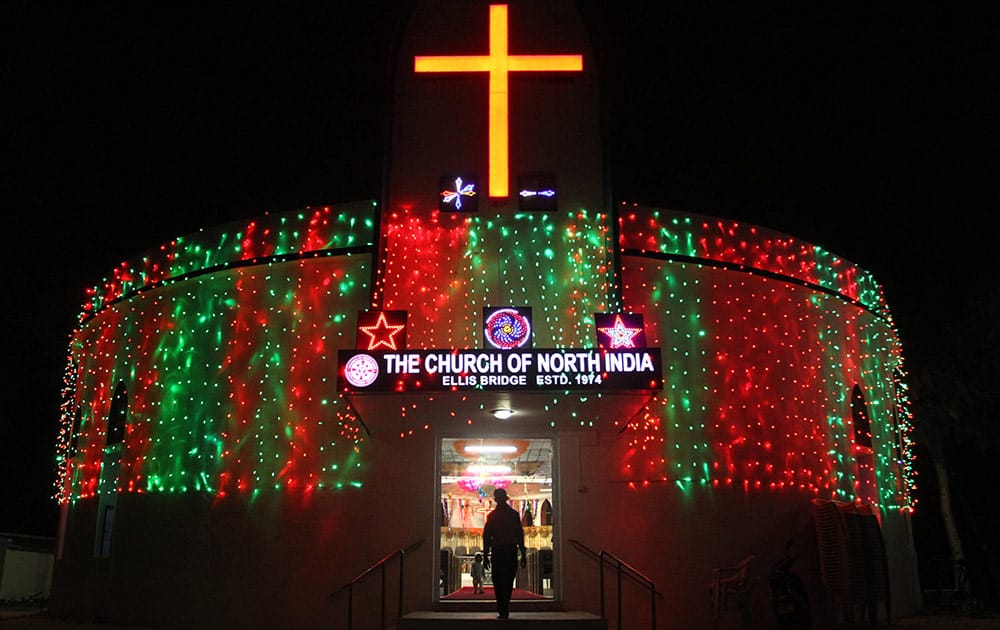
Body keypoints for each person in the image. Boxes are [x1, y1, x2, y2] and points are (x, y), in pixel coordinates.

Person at [482, 487, 527, 619]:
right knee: (506, 580)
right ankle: (504, 607)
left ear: (496, 500)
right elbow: (519, 534)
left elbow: (486, 537)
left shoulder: (493, 516)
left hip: (499, 550)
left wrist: (485, 555)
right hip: (510, 550)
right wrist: (523, 552)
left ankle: (502, 607)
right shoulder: (513, 514)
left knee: (499, 580)